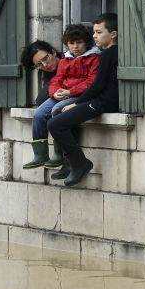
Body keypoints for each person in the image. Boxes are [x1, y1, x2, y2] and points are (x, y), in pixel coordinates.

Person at [47, 13, 119, 186]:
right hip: (97, 100)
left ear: (113, 34)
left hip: (102, 103)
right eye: (94, 32)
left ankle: (80, 164)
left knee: (55, 124)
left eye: (99, 32)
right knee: (57, 118)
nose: (94, 36)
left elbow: (97, 86)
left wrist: (76, 103)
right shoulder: (107, 52)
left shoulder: (108, 54)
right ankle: (71, 163)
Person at [23, 24, 101, 169]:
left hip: (78, 95)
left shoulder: (93, 57)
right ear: (67, 44)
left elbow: (92, 82)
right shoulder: (66, 60)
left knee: (56, 110)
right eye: (72, 43)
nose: (76, 47)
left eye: (79, 42)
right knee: (39, 113)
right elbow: (56, 80)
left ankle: (59, 153)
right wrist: (55, 92)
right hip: (62, 94)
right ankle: (40, 155)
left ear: (53, 52)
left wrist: (70, 92)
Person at [19, 40, 60, 107]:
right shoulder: (48, 74)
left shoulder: (71, 59)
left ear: (53, 52)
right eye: (39, 64)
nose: (45, 65)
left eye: (45, 58)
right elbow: (41, 101)